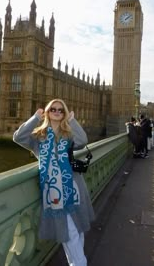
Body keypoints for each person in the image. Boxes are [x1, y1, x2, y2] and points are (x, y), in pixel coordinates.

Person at [13, 99, 95, 266]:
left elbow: (83, 141)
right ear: (48, 112)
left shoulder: (68, 134)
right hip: (53, 191)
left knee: (77, 231)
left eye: (61, 110)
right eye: (53, 109)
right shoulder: (38, 136)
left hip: (73, 186)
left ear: (64, 114)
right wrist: (35, 117)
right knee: (70, 231)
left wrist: (72, 121)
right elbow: (18, 137)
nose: (57, 112)